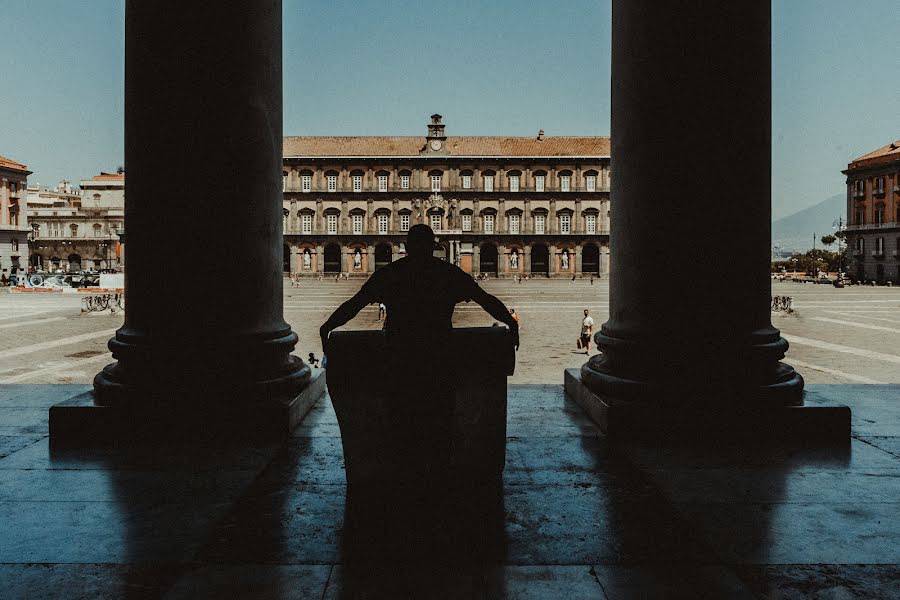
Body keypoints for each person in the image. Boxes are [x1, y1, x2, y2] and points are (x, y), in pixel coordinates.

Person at [320, 225, 519, 475]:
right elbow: (485, 299)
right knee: (441, 420)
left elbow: (354, 305)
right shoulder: (447, 273)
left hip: (400, 359)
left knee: (402, 421)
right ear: (433, 245)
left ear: (407, 246)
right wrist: (510, 322)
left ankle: (406, 481)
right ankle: (437, 480)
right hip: (439, 359)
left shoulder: (392, 274)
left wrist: (328, 325)